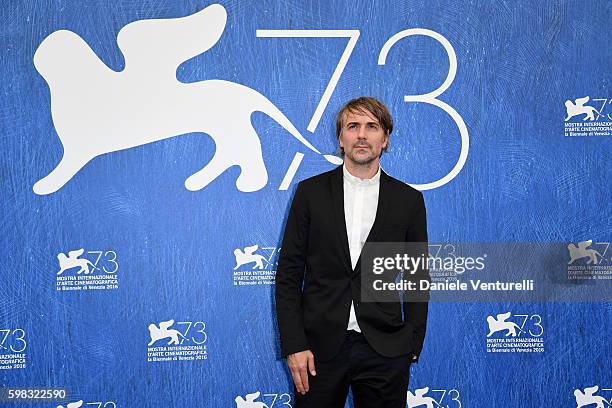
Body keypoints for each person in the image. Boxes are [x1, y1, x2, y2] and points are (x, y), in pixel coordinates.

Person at [275, 96, 429, 408]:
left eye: (372, 127)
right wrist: (295, 344)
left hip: (386, 349)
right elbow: (289, 274)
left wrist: (411, 342)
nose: (362, 135)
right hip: (316, 351)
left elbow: (416, 277)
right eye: (353, 126)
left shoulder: (408, 200)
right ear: (341, 138)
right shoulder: (310, 193)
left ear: (384, 139)